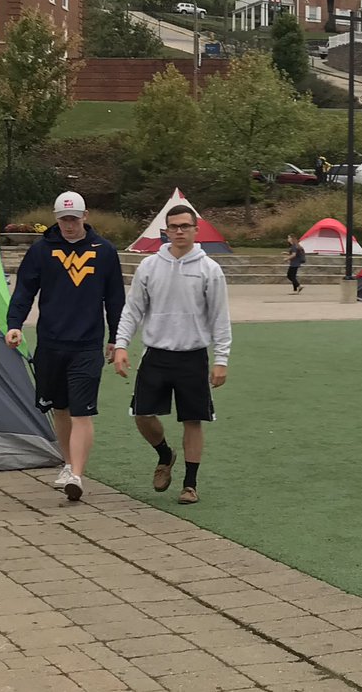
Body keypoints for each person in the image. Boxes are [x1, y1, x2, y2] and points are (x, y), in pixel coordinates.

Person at [5, 192, 125, 502]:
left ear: (85, 217)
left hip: (86, 345)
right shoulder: (42, 251)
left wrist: (116, 337)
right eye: (63, 219)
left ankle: (77, 475)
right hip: (51, 343)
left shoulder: (105, 252)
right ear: (56, 219)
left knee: (82, 412)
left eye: (74, 219)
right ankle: (68, 462)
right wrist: (14, 325)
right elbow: (24, 291)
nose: (69, 225)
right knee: (60, 408)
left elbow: (115, 299)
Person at [113, 204, 231, 504]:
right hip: (156, 354)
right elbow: (133, 310)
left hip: (192, 356)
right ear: (165, 231)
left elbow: (220, 317)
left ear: (195, 230)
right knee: (141, 414)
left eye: (185, 226)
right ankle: (165, 454)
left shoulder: (209, 270)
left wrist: (221, 360)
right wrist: (122, 344)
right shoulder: (150, 266)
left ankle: (190, 484)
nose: (179, 231)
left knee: (193, 420)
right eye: (173, 226)